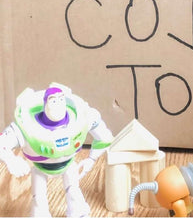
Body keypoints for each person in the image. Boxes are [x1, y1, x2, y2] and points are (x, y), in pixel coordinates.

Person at [0, 83, 113, 217]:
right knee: (39, 197)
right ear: (45, 103)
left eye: (61, 99)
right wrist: (11, 160)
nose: (58, 104)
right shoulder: (26, 126)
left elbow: (105, 137)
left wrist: (91, 159)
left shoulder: (82, 118)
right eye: (53, 100)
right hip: (41, 168)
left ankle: (78, 212)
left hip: (68, 165)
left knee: (73, 190)